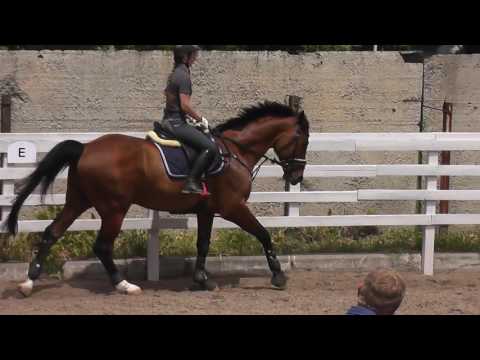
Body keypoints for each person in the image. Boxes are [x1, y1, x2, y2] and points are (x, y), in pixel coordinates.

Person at [162, 45, 219, 195]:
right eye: (194, 55)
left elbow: (174, 104)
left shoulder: (175, 73)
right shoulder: (183, 76)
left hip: (171, 120)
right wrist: (201, 120)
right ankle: (191, 182)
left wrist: (188, 118)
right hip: (176, 123)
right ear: (185, 57)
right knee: (210, 147)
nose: (196, 58)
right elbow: (185, 105)